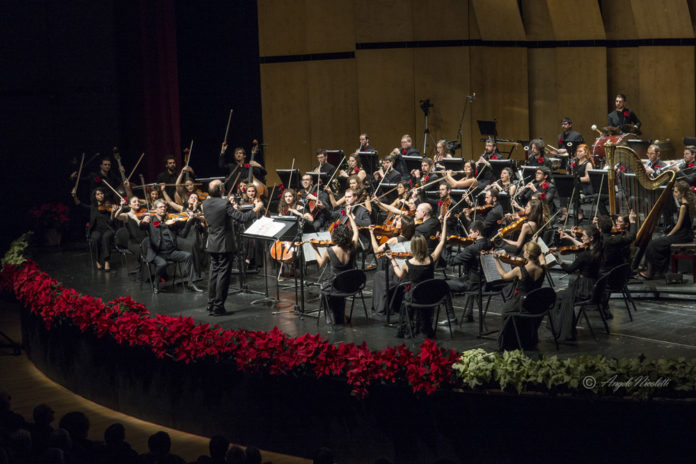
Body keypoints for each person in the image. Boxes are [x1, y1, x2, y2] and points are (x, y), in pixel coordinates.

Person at [202, 180, 259, 315]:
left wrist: (230, 207)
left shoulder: (205, 203)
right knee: (223, 275)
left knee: (213, 273)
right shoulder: (224, 203)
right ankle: (218, 307)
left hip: (212, 243)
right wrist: (256, 208)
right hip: (224, 245)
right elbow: (242, 218)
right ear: (221, 189)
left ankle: (211, 303)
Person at [389, 213, 449, 338]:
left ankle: (408, 327)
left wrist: (392, 260)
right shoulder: (432, 259)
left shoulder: (407, 263)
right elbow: (442, 242)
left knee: (403, 294)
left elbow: (400, 275)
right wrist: (444, 223)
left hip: (415, 297)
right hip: (431, 296)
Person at [550, 225, 604, 340]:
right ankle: (566, 325)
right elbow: (581, 246)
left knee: (556, 296)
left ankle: (561, 327)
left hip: (583, 289)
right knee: (562, 295)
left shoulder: (584, 256)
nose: (582, 238)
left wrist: (558, 259)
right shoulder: (599, 251)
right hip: (593, 287)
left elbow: (569, 270)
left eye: (584, 236)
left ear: (591, 238)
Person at [140, 200, 204, 294]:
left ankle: (191, 283)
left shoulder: (171, 220)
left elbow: (182, 234)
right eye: (160, 207)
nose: (163, 209)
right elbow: (142, 227)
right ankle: (156, 283)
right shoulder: (150, 220)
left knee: (188, 256)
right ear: (155, 209)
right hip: (157, 253)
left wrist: (189, 221)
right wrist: (143, 221)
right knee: (162, 264)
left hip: (170, 252)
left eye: (164, 207)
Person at [495, 241, 547, 350]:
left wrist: (497, 260)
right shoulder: (543, 268)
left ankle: (509, 342)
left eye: (524, 252)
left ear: (528, 254)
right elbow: (542, 258)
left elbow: (504, 276)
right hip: (535, 304)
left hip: (521, 303)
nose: (523, 254)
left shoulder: (519, 270)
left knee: (506, 310)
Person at [640, 181, 696, 279]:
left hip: (683, 235)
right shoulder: (688, 204)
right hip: (686, 234)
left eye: (676, 192)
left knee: (653, 244)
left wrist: (669, 235)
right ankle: (657, 271)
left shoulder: (683, 206)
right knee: (656, 243)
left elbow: (678, 226)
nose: (674, 194)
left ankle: (652, 272)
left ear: (682, 193)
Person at [311, 213, 359, 324]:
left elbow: (321, 264)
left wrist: (314, 249)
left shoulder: (330, 250)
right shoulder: (353, 246)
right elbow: (356, 232)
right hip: (350, 285)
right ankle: (339, 314)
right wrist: (351, 217)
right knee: (337, 286)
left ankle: (331, 316)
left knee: (323, 290)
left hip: (336, 286)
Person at [369, 215, 416, 317]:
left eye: (398, 220)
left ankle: (381, 309)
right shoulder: (413, 240)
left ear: (402, 226)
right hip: (407, 273)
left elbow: (377, 251)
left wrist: (372, 234)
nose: (396, 220)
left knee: (379, 275)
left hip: (395, 273)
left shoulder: (394, 240)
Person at [444, 220, 491, 322]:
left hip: (474, 284)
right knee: (468, 277)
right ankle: (468, 314)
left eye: (470, 232)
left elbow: (451, 261)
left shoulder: (471, 249)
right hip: (487, 282)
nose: (468, 235)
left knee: (444, 285)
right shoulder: (489, 243)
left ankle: (451, 317)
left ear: (477, 232)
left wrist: (443, 247)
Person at [71, 187, 116, 271]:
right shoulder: (92, 207)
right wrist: (74, 196)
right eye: (98, 194)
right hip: (96, 230)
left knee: (106, 237)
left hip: (108, 229)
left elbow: (111, 222)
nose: (100, 195)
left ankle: (107, 261)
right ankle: (98, 260)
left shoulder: (108, 206)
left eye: (101, 193)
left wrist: (113, 213)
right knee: (95, 238)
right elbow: (79, 204)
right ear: (95, 196)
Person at [569, 143, 594, 224]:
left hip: (585, 187)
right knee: (566, 191)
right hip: (577, 185)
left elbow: (588, 178)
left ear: (586, 152)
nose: (578, 153)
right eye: (577, 151)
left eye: (580, 151)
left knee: (574, 193)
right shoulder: (575, 162)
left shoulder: (588, 164)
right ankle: (576, 211)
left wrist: (576, 179)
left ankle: (579, 212)